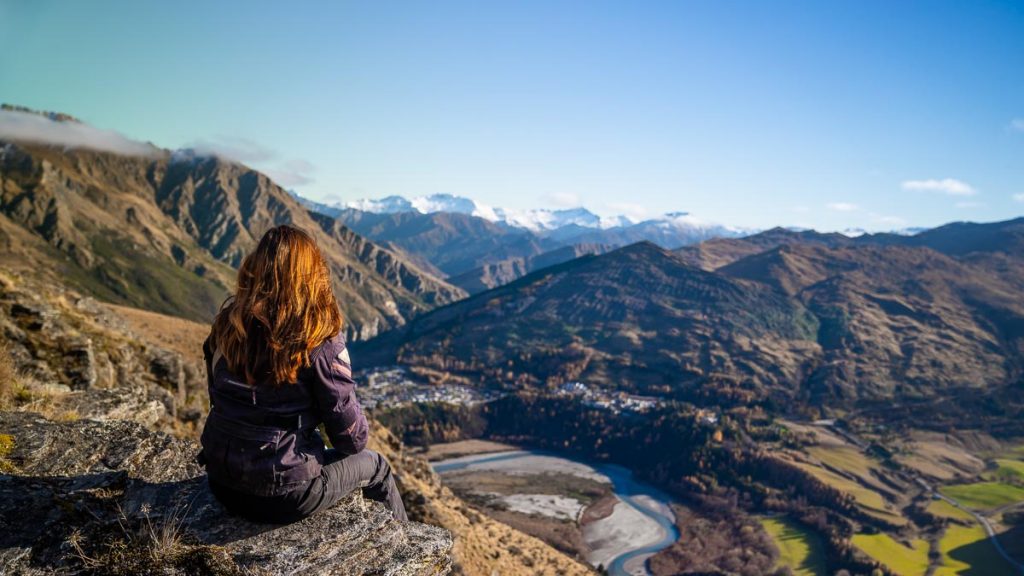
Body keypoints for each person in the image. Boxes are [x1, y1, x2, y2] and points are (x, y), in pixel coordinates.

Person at [198, 225, 407, 524]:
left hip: (221, 482)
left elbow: (218, 398)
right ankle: (404, 550)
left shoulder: (228, 326)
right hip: (284, 495)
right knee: (377, 467)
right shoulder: (319, 341)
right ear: (312, 277)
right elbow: (352, 441)